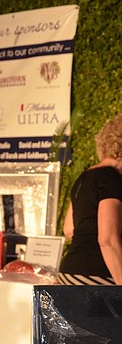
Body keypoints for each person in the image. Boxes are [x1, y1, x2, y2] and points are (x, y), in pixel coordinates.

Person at [59, 114, 122, 285]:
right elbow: (107, 239)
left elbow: (69, 229)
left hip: (70, 273)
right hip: (97, 276)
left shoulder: (85, 177)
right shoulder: (111, 179)